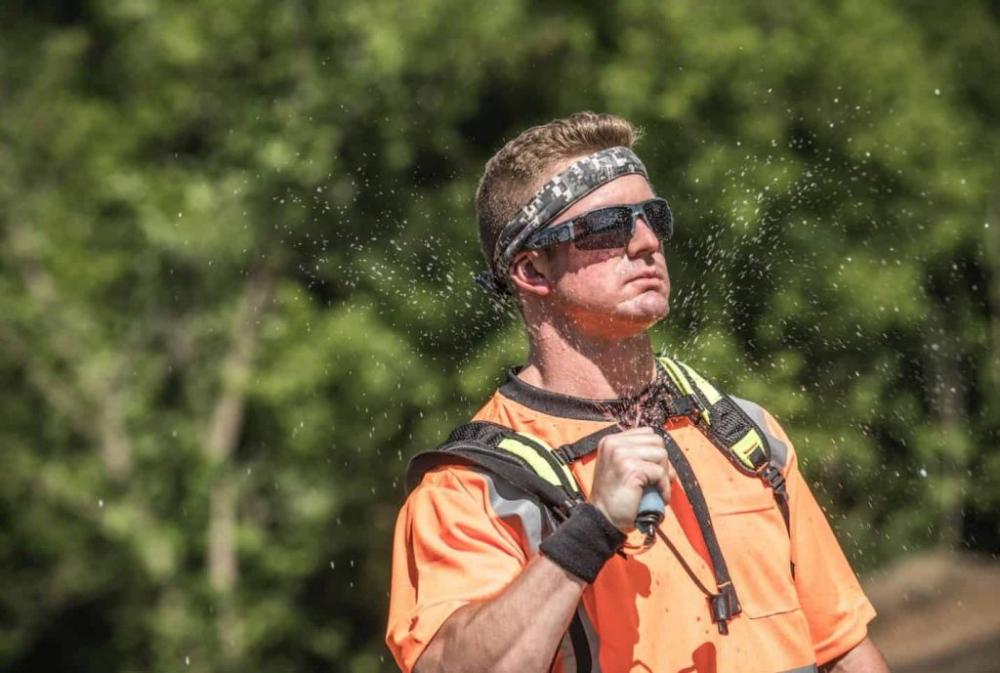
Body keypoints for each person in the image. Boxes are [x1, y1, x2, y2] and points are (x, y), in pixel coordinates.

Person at [385, 112, 890, 673]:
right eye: (608, 226)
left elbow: (841, 646)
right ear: (532, 270)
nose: (647, 241)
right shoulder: (470, 488)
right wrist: (592, 528)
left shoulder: (744, 433)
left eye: (653, 217)